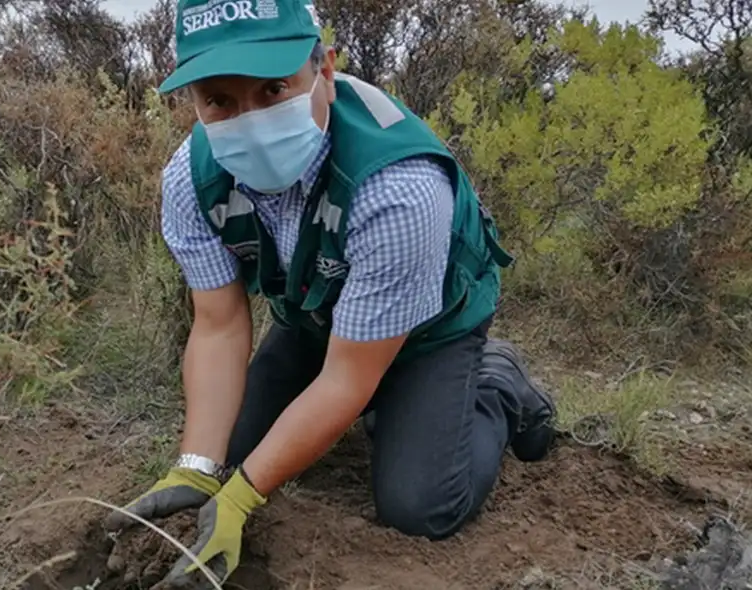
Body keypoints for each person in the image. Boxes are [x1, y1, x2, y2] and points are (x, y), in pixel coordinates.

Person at [102, 0, 557, 587]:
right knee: (228, 455)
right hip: (316, 314)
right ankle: (393, 410)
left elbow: (347, 376)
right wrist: (197, 469)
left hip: (432, 331)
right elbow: (219, 325)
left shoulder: (398, 187)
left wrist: (241, 499)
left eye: (273, 89)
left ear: (325, 70)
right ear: (194, 102)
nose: (250, 121)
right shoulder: (191, 178)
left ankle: (497, 383)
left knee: (419, 507)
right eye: (219, 100)